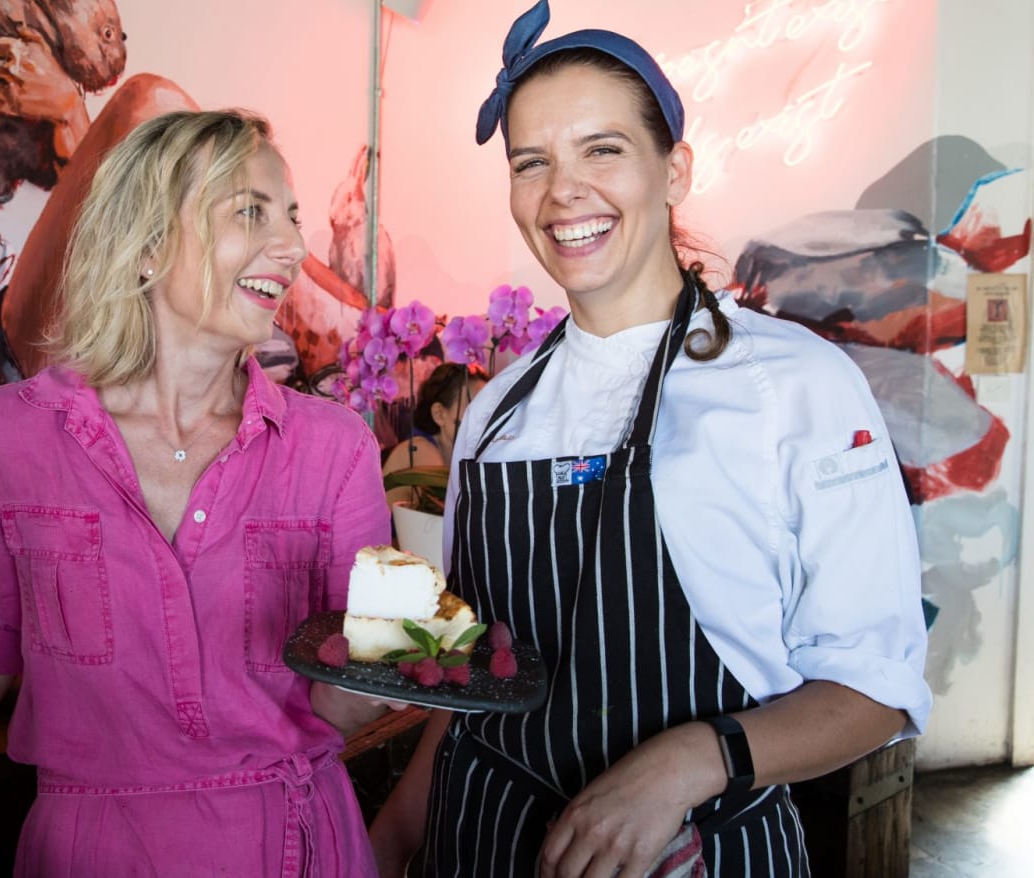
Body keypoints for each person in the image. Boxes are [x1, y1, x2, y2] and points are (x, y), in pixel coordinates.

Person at [368, 3, 931, 876]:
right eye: (532, 163)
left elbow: (877, 688)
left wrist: (691, 761)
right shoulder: (498, 412)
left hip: (704, 852)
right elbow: (472, 680)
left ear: (675, 171)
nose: (563, 192)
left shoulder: (795, 388)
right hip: (482, 840)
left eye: (603, 149)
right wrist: (395, 839)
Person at [0, 110, 392, 876]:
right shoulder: (8, 438)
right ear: (146, 245)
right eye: (251, 211)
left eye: (293, 216)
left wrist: (391, 670)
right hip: (95, 850)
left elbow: (346, 699)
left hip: (293, 842)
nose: (292, 247)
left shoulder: (333, 447)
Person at [381, 362, 487, 507]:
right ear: (439, 414)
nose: (485, 418)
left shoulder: (460, 454)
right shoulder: (421, 450)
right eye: (473, 409)